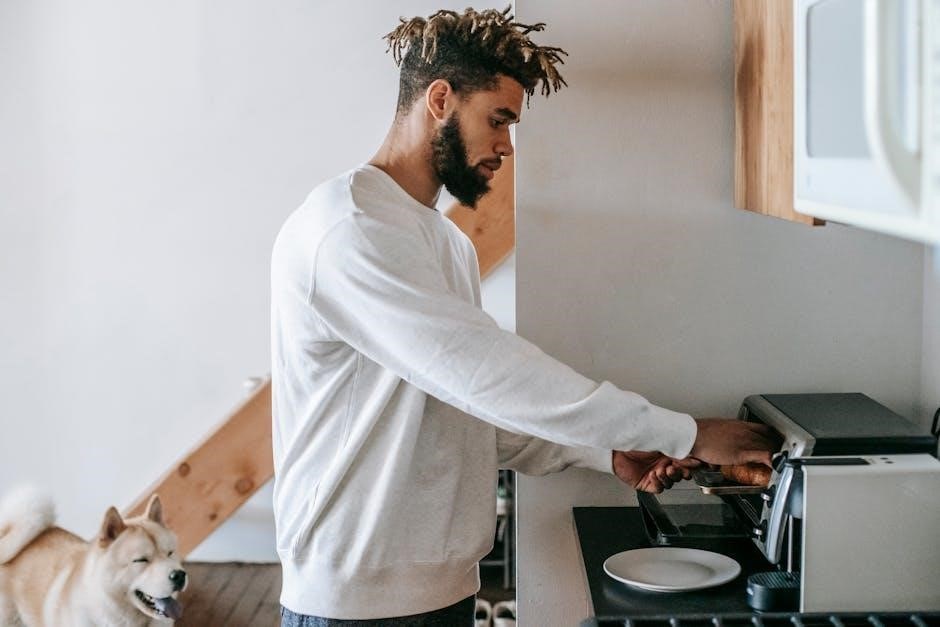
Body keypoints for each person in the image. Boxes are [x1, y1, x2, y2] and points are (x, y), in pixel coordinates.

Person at [270, 7, 776, 626]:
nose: (506, 147)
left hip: (442, 592)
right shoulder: (350, 229)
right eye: (498, 120)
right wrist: (684, 433)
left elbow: (465, 412)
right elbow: (485, 373)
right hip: (353, 605)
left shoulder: (445, 242)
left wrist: (604, 453)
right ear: (439, 100)